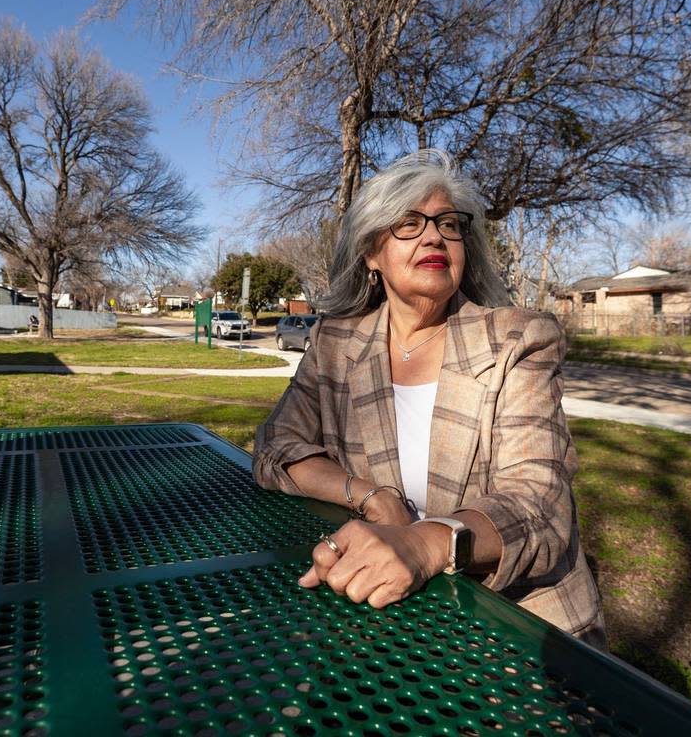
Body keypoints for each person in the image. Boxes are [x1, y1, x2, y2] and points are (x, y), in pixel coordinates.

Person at [253, 150, 604, 647]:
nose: (434, 235)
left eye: (448, 223)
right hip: (385, 618)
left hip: (516, 628)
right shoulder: (336, 343)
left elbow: (540, 505)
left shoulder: (518, 339)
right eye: (409, 222)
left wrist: (424, 544)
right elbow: (273, 447)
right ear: (371, 252)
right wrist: (371, 496)